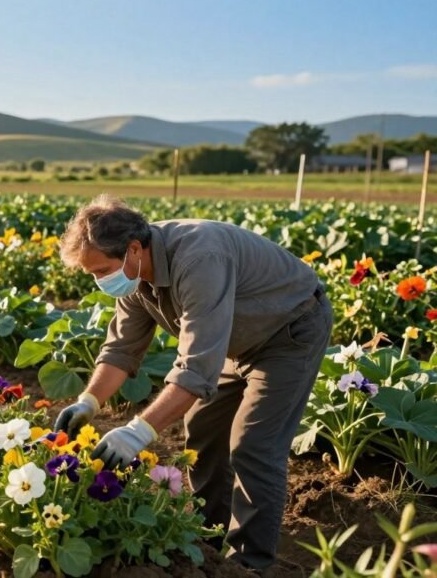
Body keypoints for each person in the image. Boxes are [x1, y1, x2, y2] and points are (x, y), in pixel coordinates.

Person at [52, 195, 332, 571]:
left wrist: (137, 432)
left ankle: (248, 564)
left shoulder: (200, 259)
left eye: (102, 270)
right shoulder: (137, 274)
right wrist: (88, 402)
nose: (99, 281)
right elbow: (121, 349)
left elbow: (196, 370)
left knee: (254, 444)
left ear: (134, 249)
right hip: (238, 338)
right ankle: (211, 539)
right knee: (202, 429)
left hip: (289, 330)